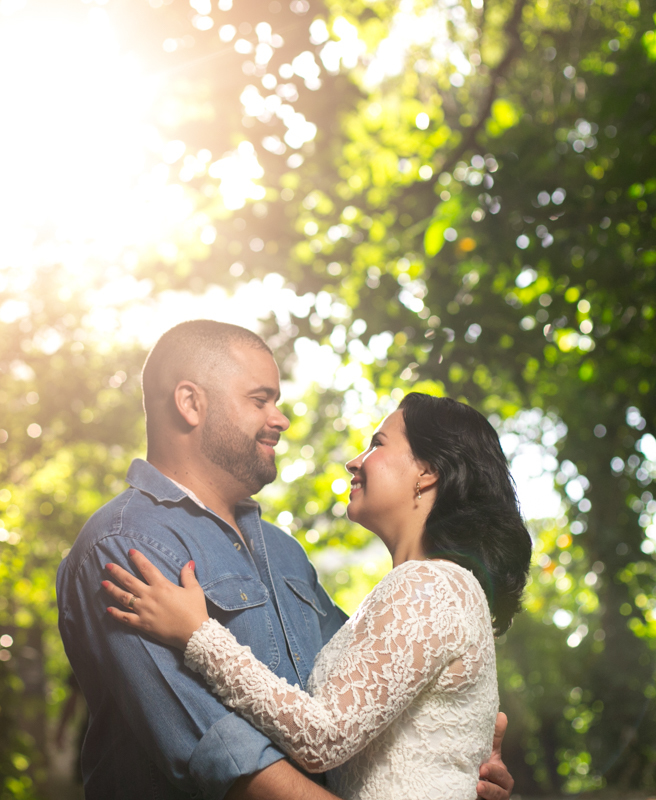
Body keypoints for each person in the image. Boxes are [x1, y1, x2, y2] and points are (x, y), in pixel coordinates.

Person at [56, 321, 516, 800]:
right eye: (260, 400)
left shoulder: (284, 553)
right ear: (190, 403)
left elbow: (365, 697)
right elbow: (221, 756)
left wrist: (462, 762)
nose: (281, 419)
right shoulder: (123, 543)